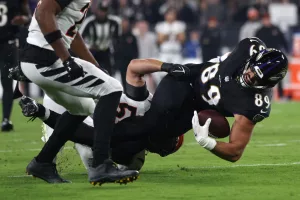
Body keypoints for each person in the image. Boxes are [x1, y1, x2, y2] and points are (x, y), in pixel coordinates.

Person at [110, 37, 288, 162]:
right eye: (252, 70)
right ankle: (97, 138)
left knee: (157, 140)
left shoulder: (255, 105)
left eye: (258, 79)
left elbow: (235, 152)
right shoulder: (249, 48)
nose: (250, 76)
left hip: (195, 110)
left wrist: (208, 142)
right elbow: (225, 76)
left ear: (269, 84)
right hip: (186, 81)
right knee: (152, 122)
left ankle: (112, 153)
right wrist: (174, 68)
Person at [18, 0, 138, 185]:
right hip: (45, 59)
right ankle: (101, 164)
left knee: (82, 107)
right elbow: (43, 12)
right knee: (113, 89)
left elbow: (71, 33)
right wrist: (66, 59)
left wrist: (95, 66)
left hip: (42, 59)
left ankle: (43, 162)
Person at [0, 0, 31, 132]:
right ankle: (6, 120)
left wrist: (22, 19)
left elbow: (28, 17)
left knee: (7, 84)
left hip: (8, 44)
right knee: (7, 85)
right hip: (9, 44)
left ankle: (6, 119)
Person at [80, 1, 122, 75]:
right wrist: (88, 46)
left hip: (106, 52)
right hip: (93, 52)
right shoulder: (89, 22)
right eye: (100, 10)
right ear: (97, 10)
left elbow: (118, 38)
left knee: (109, 73)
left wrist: (114, 48)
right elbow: (80, 37)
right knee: (91, 73)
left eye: (104, 11)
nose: (102, 13)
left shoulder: (114, 22)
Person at [255, 13, 289, 101]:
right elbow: (256, 44)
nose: (266, 21)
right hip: (264, 57)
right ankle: (264, 96)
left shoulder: (276, 29)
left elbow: (283, 41)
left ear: (270, 19)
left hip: (276, 57)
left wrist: (288, 51)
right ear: (262, 20)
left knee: (279, 75)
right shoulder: (260, 31)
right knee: (263, 77)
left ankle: (281, 96)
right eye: (264, 19)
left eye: (267, 19)